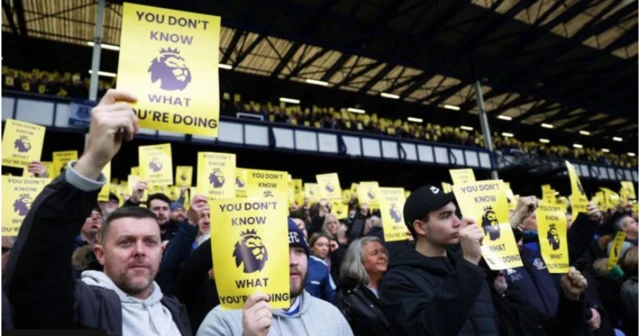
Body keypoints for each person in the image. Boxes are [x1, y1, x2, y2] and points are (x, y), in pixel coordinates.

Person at [5, 89, 192, 334]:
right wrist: (92, 162)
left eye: (150, 242)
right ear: (100, 254)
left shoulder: (175, 312)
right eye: (125, 242)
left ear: (162, 251)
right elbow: (37, 268)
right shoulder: (81, 306)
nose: (139, 251)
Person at [196, 219, 353, 336]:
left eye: (299, 251)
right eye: (282, 252)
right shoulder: (223, 321)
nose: (293, 261)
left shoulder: (331, 315)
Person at [379, 184, 500, 335]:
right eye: (445, 216)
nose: (457, 222)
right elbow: (427, 330)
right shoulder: (398, 281)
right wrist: (469, 263)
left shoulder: (462, 264)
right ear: (420, 227)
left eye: (456, 213)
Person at [335, 236, 390, 336]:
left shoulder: (394, 285)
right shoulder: (347, 295)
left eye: (383, 251)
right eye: (375, 253)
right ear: (358, 260)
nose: (382, 256)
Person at [306, 233, 337, 303]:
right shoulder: (306, 263)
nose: (324, 248)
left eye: (327, 245)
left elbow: (331, 294)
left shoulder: (324, 265)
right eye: (320, 245)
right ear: (311, 247)